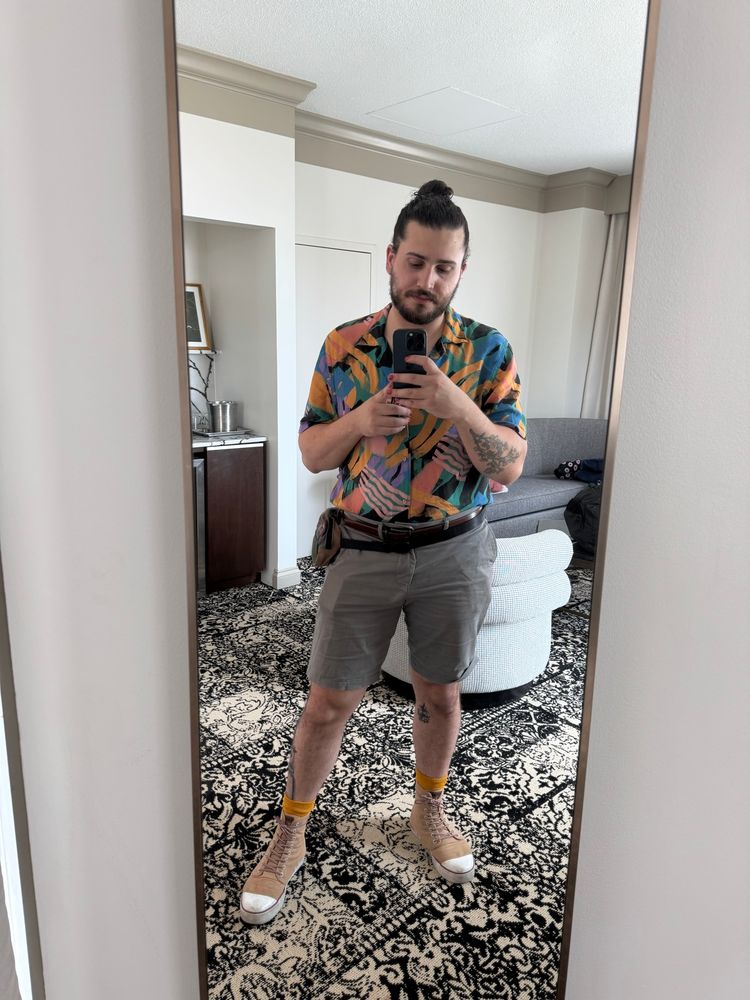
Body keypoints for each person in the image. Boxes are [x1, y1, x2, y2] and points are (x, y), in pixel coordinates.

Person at [239, 180, 528, 926]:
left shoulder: (488, 351)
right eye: (416, 262)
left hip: (455, 552)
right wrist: (362, 418)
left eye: (445, 266)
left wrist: (456, 404)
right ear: (391, 259)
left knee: (439, 693)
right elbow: (308, 452)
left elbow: (510, 466)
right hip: (362, 550)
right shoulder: (344, 346)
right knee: (330, 700)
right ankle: (291, 829)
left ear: (461, 271)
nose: (427, 280)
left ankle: (428, 812)